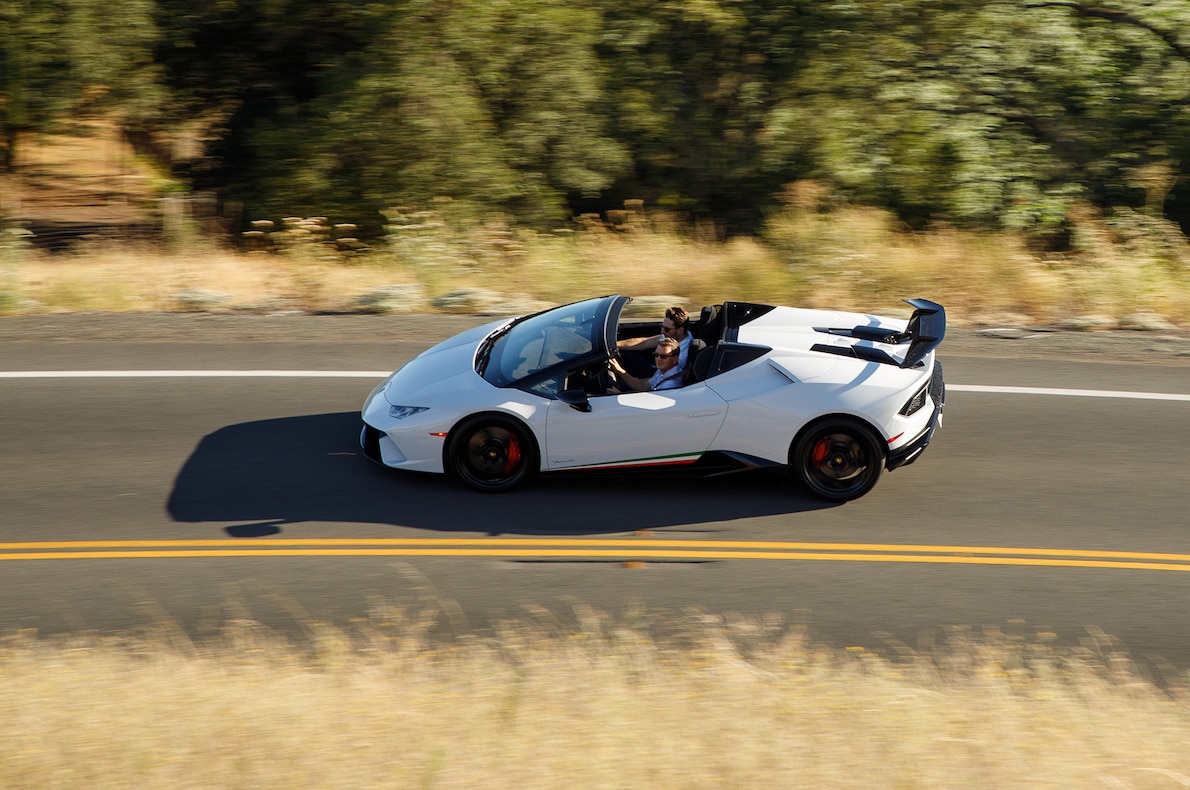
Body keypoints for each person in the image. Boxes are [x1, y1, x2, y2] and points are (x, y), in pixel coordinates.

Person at [617, 306, 696, 374]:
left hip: (659, 376)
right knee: (625, 352)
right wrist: (616, 344)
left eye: (666, 329)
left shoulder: (682, 356)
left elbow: (662, 377)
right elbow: (644, 343)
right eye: (662, 327)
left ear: (680, 330)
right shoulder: (673, 337)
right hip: (658, 369)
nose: (662, 331)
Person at [609, 337, 684, 392]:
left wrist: (618, 395)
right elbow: (642, 386)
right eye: (656, 355)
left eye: (663, 356)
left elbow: (650, 408)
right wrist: (619, 370)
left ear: (675, 359)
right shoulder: (662, 371)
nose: (658, 359)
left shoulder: (670, 385)